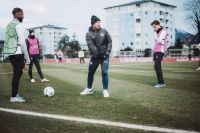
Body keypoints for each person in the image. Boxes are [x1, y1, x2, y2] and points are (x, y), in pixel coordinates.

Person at [80, 15, 112, 97]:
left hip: (105, 56)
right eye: (97, 22)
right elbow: (91, 46)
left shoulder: (104, 31)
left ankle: (105, 90)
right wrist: (98, 54)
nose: (99, 24)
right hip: (95, 57)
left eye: (99, 22)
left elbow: (109, 41)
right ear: (93, 23)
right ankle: (89, 89)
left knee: (104, 72)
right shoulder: (88, 34)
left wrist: (108, 51)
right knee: (90, 73)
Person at [3, 8, 30, 102]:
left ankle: (15, 94)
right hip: (18, 52)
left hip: (11, 54)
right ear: (16, 14)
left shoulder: (9, 24)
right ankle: (14, 97)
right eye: (21, 14)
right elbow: (23, 43)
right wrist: (27, 57)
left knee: (18, 73)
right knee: (17, 74)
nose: (23, 15)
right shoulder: (18, 25)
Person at [151, 20, 168, 88]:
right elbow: (157, 42)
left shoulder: (163, 31)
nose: (154, 28)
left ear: (158, 25)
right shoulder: (157, 32)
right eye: (153, 27)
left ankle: (161, 83)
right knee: (156, 66)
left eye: (154, 26)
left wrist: (155, 34)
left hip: (160, 50)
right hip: (156, 50)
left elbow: (159, 40)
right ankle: (160, 82)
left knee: (157, 66)